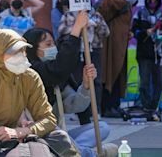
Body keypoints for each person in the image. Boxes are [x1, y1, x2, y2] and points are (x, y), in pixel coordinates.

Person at [0, 29, 80, 157]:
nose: (21, 55)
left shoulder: (30, 77)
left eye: (23, 50)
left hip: (17, 137)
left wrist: (21, 132)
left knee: (60, 137)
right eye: (14, 52)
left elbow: (48, 119)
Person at [23, 28, 117, 157]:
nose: (53, 48)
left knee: (102, 128)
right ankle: (84, 153)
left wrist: (85, 85)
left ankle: (72, 150)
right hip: (37, 134)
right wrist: (77, 28)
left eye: (53, 43)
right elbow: (61, 66)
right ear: (33, 48)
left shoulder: (58, 82)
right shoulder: (31, 72)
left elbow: (75, 105)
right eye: (48, 44)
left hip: (58, 134)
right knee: (56, 137)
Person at [58, 3, 110, 117]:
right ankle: (79, 113)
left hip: (93, 50)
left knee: (95, 80)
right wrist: (78, 26)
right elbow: (61, 30)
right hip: (76, 51)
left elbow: (106, 32)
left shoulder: (95, 15)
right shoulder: (69, 15)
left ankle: (96, 111)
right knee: (77, 80)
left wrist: (95, 25)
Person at [98, 0, 139, 117]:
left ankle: (112, 106)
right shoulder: (120, 4)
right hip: (113, 48)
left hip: (118, 47)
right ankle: (109, 107)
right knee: (112, 75)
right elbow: (107, 2)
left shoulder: (121, 7)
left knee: (115, 76)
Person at [132, 0, 162, 111]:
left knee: (158, 83)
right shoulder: (139, 15)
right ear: (147, 0)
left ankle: (155, 107)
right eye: (150, 0)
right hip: (144, 55)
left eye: (155, 0)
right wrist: (146, 32)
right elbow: (134, 32)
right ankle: (146, 106)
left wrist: (159, 33)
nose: (152, 2)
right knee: (144, 83)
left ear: (158, 1)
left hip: (159, 56)